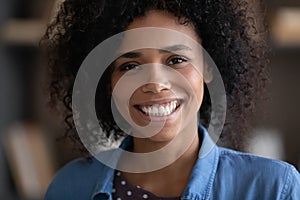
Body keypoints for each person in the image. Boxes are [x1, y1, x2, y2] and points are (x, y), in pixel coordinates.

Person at [41, 0, 300, 199]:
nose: (155, 83)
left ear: (208, 68)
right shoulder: (70, 187)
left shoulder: (274, 187)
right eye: (130, 66)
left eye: (176, 60)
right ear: (108, 83)